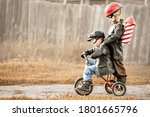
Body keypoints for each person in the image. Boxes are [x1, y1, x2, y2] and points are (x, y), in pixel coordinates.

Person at [101, 2, 127, 83]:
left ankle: (121, 83)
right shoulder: (113, 25)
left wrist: (105, 42)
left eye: (118, 11)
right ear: (113, 14)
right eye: (117, 11)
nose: (119, 12)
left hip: (116, 51)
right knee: (114, 68)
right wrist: (104, 41)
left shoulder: (120, 25)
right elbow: (109, 36)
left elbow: (116, 36)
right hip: (112, 50)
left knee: (119, 68)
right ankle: (117, 82)